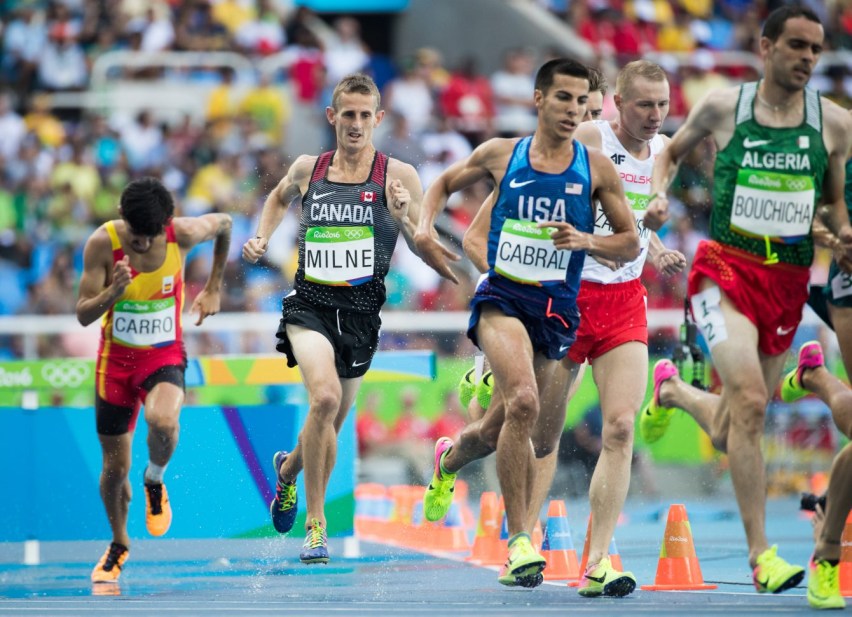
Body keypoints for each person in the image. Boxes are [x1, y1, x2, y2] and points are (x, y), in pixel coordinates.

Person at [640, 5, 852, 595]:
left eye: (817, 48)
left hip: (786, 280)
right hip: (726, 268)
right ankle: (762, 555)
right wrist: (658, 195)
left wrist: (839, 232)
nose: (809, 57)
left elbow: (833, 204)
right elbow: (668, 151)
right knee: (753, 401)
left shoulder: (834, 125)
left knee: (737, 423)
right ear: (765, 48)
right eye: (797, 46)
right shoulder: (723, 108)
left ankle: (674, 391)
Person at [414, 58, 642, 589]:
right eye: (563, 98)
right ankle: (519, 541)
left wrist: (586, 241)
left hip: (557, 312)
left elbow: (630, 241)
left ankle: (449, 461)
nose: (573, 110)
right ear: (538, 99)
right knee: (522, 401)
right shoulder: (503, 154)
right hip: (503, 301)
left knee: (515, 435)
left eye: (582, 101)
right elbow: (444, 182)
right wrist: (425, 229)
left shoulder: (595, 169)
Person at [463, 61, 686, 597]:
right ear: (618, 103)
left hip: (625, 303)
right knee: (535, 434)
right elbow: (535, 197)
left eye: (663, 105)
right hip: (565, 298)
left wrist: (654, 243)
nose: (656, 116)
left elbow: (629, 222)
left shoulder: (664, 154)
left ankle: (599, 559)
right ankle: (520, 538)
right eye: (645, 105)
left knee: (620, 429)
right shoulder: (588, 138)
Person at [242, 73, 448, 565]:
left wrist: (403, 215)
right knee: (325, 398)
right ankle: (316, 527)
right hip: (309, 304)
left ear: (378, 119)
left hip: (362, 315)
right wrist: (262, 237)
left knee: (329, 423)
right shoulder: (308, 168)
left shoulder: (398, 175)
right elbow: (276, 197)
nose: (356, 124)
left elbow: (428, 245)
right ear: (332, 117)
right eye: (347, 115)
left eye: (365, 115)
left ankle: (288, 472)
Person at [77, 177, 232, 583]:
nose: (141, 245)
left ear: (166, 222)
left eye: (149, 237)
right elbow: (82, 313)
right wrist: (113, 292)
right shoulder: (101, 243)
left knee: (162, 422)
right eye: (135, 236)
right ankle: (119, 541)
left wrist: (214, 286)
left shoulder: (183, 233)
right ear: (120, 215)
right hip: (115, 364)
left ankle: (155, 479)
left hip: (163, 354)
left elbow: (226, 224)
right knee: (113, 471)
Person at [780, 115, 852, 609]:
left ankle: (815, 377)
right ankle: (827, 553)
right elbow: (795, 213)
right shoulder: (840, 156)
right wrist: (833, 236)